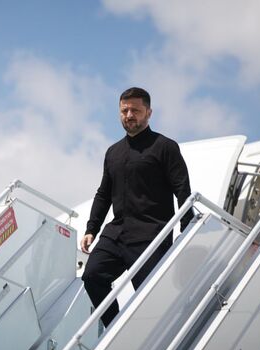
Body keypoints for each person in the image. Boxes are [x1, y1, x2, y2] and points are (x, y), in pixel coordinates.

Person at [81, 87, 193, 328]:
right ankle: (114, 328)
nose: (129, 115)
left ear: (148, 113)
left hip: (151, 234)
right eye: (124, 111)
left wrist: (187, 227)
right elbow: (103, 194)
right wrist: (92, 228)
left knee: (147, 299)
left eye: (135, 110)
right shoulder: (113, 152)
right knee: (92, 276)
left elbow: (182, 188)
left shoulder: (165, 147)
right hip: (116, 233)